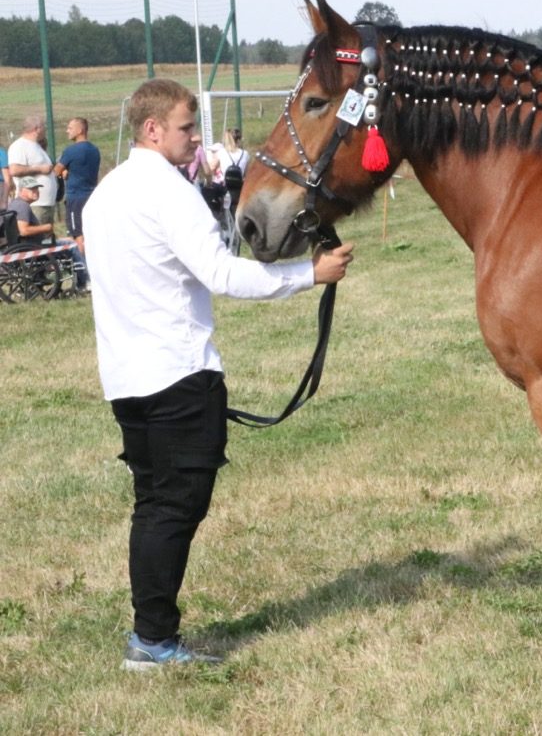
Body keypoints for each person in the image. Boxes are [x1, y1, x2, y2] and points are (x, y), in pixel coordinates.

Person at [82, 79, 354, 671]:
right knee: (174, 509)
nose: (194, 138)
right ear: (152, 129)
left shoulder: (102, 197)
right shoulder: (170, 193)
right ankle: (153, 640)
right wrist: (309, 275)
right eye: (185, 127)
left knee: (155, 506)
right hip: (177, 374)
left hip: (127, 377)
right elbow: (222, 274)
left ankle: (151, 633)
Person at [53, 117, 101, 264]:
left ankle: (84, 268)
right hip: (92, 195)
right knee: (91, 233)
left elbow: (56, 171)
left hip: (76, 198)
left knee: (78, 234)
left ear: (80, 130)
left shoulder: (71, 151)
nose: (67, 131)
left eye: (70, 128)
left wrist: (62, 171)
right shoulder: (95, 150)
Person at [7, 114, 55, 228]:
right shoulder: (20, 146)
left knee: (47, 237)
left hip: (46, 203)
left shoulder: (36, 146)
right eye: (44, 127)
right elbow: (14, 170)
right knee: (37, 237)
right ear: (37, 129)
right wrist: (40, 169)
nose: (45, 130)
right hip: (34, 204)